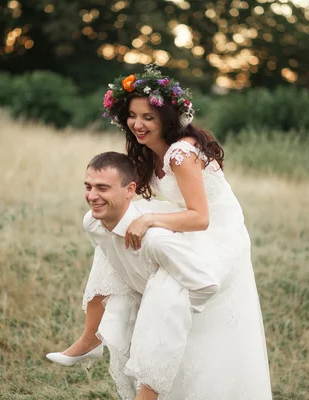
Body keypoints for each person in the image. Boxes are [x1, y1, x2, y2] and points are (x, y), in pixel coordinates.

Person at [51, 65, 272, 399]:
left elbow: (200, 217)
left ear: (167, 119)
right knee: (107, 224)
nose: (138, 124)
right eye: (132, 115)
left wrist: (149, 220)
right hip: (188, 223)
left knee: (169, 285)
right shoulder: (145, 152)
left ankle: (147, 392)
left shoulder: (181, 153)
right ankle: (90, 335)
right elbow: (133, 198)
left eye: (148, 118)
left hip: (217, 235)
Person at [49, 152, 223, 399]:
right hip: (140, 287)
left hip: (182, 303)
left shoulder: (157, 241)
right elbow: (113, 257)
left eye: (103, 188)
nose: (92, 196)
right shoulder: (92, 222)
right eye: (88, 187)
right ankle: (90, 340)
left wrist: (163, 308)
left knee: (168, 295)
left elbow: (206, 285)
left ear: (130, 190)